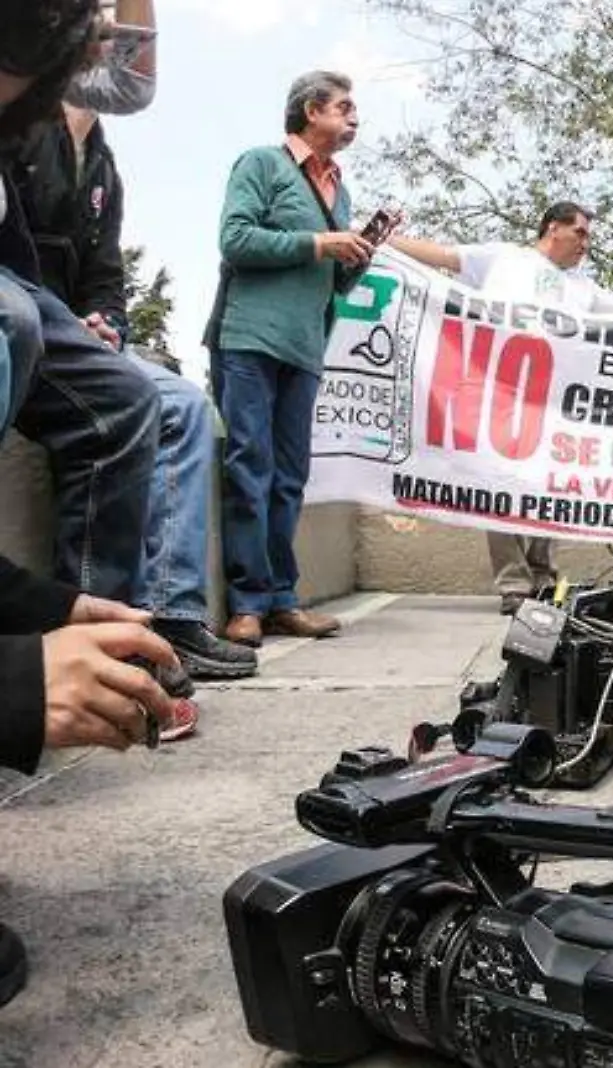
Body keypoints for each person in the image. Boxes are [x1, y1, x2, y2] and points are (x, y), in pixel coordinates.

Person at [0, 0, 180, 1011]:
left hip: (53, 308)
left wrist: (48, 613)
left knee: (141, 395)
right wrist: (16, 690)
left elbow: (132, 74)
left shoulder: (86, 150)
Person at [6, 104, 256, 680]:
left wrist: (107, 321)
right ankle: (97, 639)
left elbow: (105, 274)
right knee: (117, 392)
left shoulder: (103, 164)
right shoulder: (22, 118)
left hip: (72, 330)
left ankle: (168, 617)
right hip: (28, 311)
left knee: (186, 404)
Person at [390, 201, 613, 614]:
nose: (586, 243)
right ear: (553, 228)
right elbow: (443, 256)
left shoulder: (584, 289)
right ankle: (513, 585)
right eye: (580, 233)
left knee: (545, 484)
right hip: (495, 394)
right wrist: (383, 239)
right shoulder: (504, 259)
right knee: (496, 482)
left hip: (551, 404)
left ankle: (543, 577)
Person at [206, 70, 366, 646]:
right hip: (248, 338)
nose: (353, 116)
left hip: (304, 347)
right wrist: (321, 242)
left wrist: (354, 255)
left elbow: (335, 281)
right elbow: (236, 239)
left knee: (289, 477)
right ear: (309, 110)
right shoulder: (262, 164)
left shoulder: (338, 190)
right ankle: (246, 602)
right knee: (251, 467)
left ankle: (280, 599)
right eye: (343, 106)